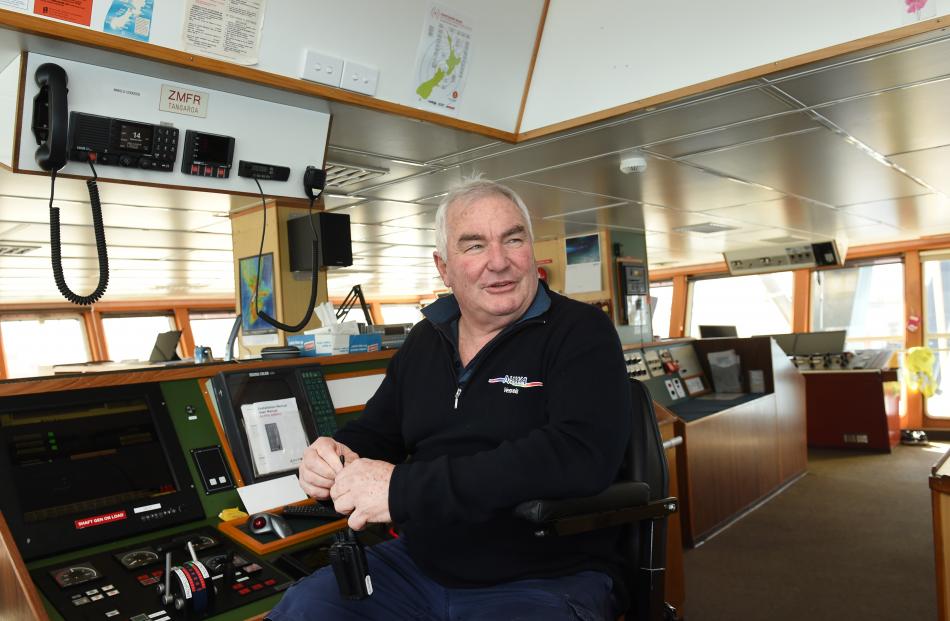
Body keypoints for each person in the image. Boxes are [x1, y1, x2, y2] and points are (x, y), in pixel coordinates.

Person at [267, 179, 633, 620]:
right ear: (444, 268)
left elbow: (578, 455)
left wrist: (404, 491)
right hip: (419, 568)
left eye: (513, 239)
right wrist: (334, 461)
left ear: (531, 250)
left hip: (544, 576)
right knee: (305, 609)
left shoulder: (580, 331)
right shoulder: (426, 340)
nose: (499, 262)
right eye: (474, 246)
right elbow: (377, 433)